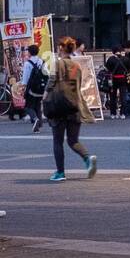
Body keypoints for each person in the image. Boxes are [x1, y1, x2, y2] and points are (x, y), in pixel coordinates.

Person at [45, 37, 96, 182]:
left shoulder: (58, 63)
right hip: (74, 106)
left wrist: (45, 96)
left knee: (58, 141)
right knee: (73, 140)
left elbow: (51, 82)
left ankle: (60, 173)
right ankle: (87, 158)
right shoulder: (76, 66)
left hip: (59, 107)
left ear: (61, 48)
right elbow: (78, 86)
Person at [20, 44, 48, 133]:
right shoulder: (42, 61)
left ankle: (35, 119)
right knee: (37, 106)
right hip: (41, 88)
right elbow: (46, 74)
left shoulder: (28, 63)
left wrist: (23, 87)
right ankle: (37, 127)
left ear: (29, 53)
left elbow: (26, 77)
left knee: (28, 106)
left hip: (31, 89)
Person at [103, 46, 129, 119]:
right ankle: (123, 113)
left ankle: (113, 114)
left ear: (113, 51)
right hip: (123, 79)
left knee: (112, 97)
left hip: (113, 80)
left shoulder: (110, 59)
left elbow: (107, 69)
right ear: (120, 51)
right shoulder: (125, 59)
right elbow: (129, 68)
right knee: (123, 96)